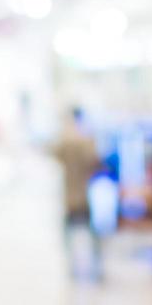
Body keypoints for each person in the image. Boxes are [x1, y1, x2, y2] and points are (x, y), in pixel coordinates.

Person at [54, 108, 104, 281]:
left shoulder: (69, 140)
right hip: (79, 197)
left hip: (78, 197)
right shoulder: (84, 140)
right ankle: (90, 267)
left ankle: (83, 267)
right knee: (86, 235)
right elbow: (96, 161)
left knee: (83, 234)